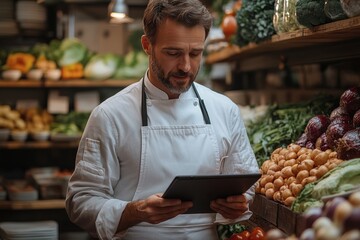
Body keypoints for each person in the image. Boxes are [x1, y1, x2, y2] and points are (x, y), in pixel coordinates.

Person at [65, 0, 260, 239]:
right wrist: (135, 211)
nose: (186, 66)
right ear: (147, 45)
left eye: (195, 53)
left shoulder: (225, 110)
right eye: (173, 53)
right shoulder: (110, 115)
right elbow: (80, 201)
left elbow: (247, 183)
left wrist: (237, 204)